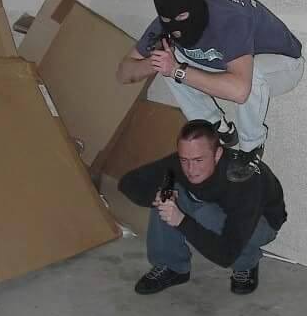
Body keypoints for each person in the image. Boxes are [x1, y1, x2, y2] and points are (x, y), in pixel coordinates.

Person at [117, 0, 304, 183]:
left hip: (283, 66)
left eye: (182, 18)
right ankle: (215, 125)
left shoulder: (230, 18)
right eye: (168, 20)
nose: (176, 27)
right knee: (166, 59)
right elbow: (123, 73)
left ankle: (252, 145)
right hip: (223, 66)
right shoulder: (163, 23)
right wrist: (157, 63)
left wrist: (177, 70)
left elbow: (240, 91)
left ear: (196, 9)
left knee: (252, 73)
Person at [119, 119, 287, 295]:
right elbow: (129, 182)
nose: (191, 169)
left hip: (261, 224)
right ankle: (171, 266)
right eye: (184, 159)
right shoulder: (183, 162)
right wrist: (157, 196)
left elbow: (225, 254)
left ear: (217, 154)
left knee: (204, 213)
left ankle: (245, 263)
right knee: (168, 191)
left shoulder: (243, 181)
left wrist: (181, 221)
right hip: (216, 209)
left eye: (199, 160)